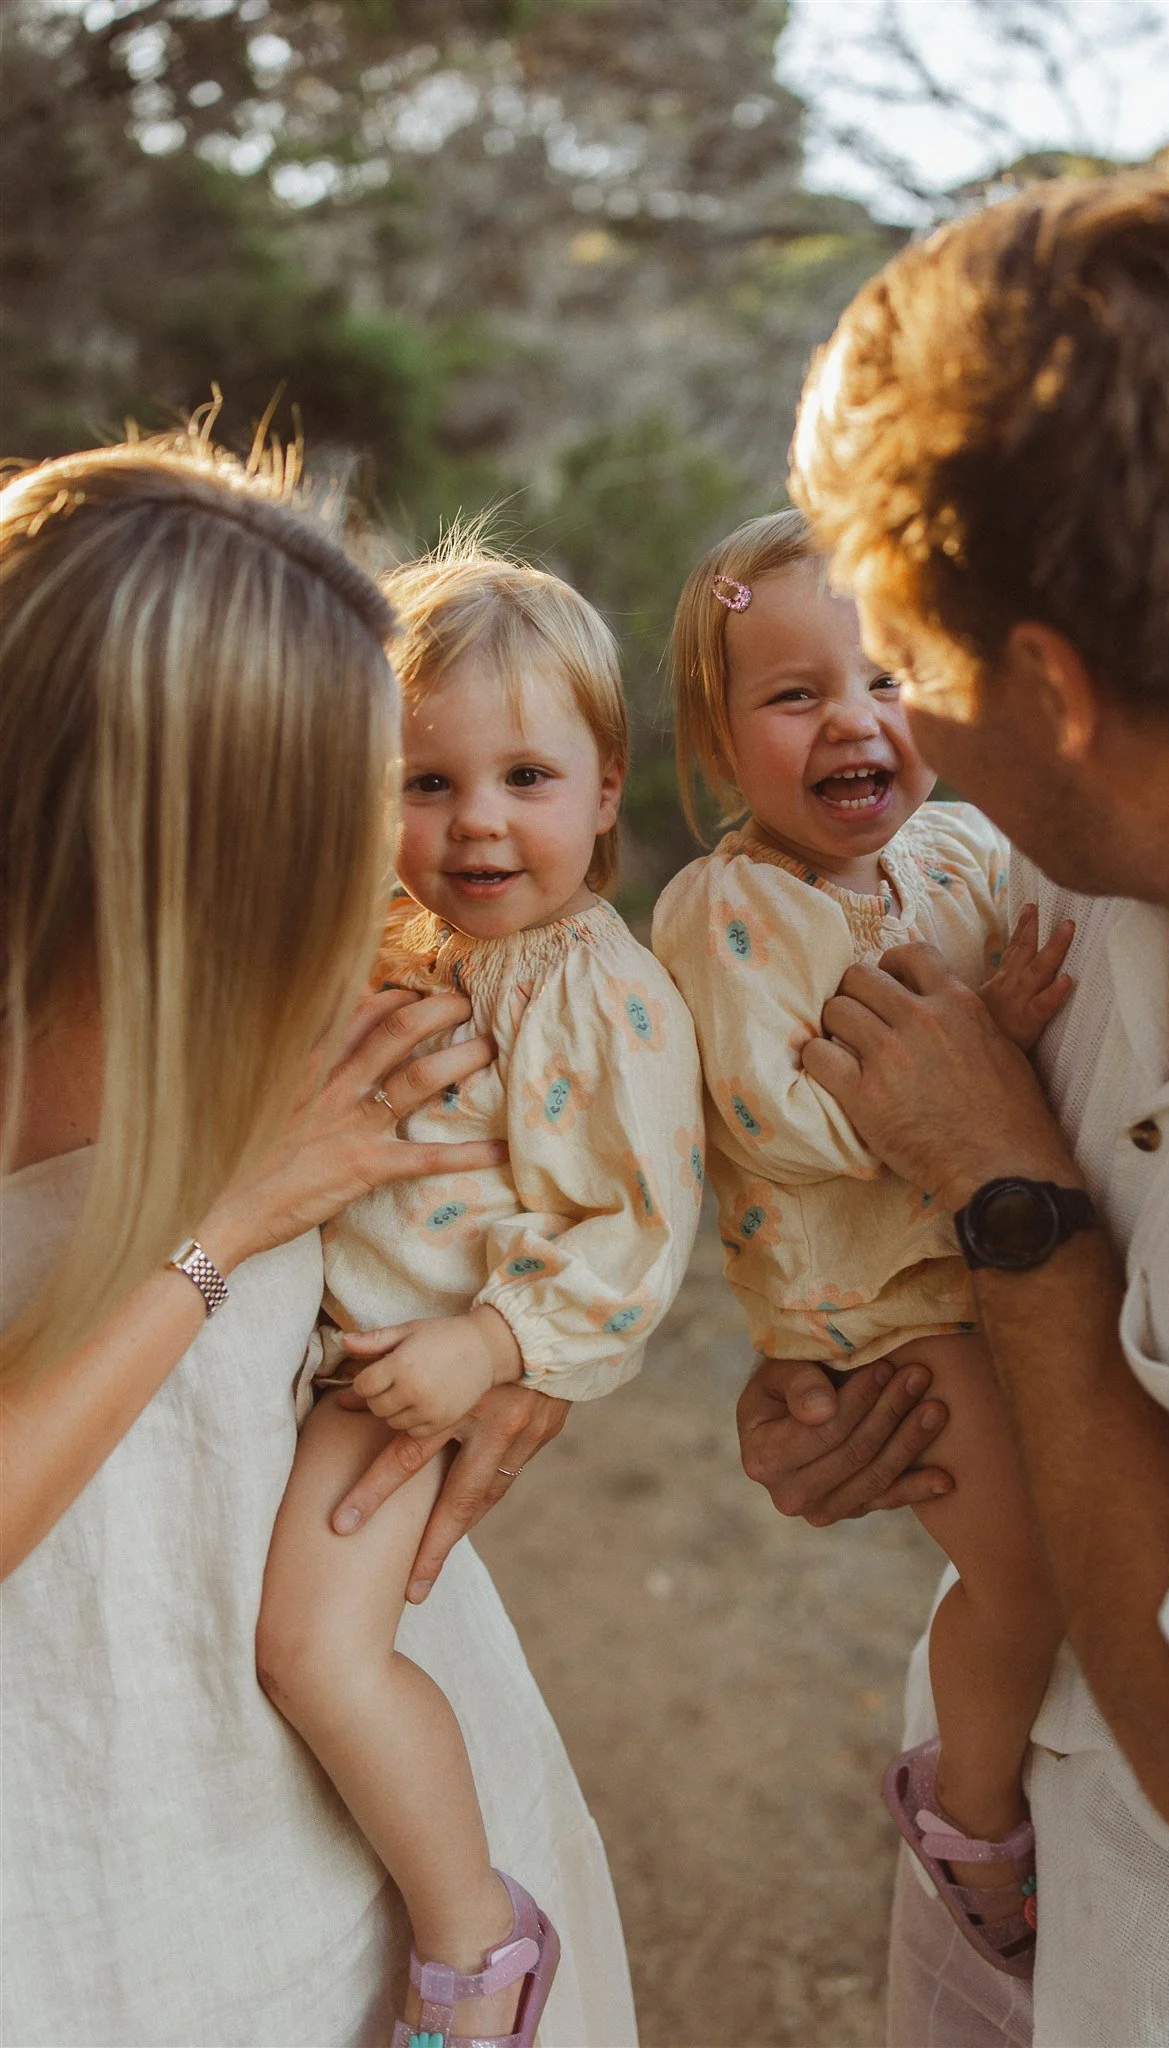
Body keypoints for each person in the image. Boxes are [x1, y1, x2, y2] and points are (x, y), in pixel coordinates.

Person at [737, 174, 1169, 2045]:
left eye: (918, 672)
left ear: (1060, 689)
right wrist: (849, 1385)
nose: (906, 736)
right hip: (1024, 1891)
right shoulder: (1080, 891)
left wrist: (1012, 1206)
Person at [0, 437, 637, 2048]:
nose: (385, 846)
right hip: (75, 1875)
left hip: (345, 1827)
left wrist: (518, 1359)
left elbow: (550, 1189)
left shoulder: (329, 985)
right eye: (358, 786)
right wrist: (222, 1229)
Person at [257, 541, 702, 2047]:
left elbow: (635, 1219)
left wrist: (496, 1341)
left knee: (312, 1646)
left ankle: (478, 1945)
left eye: (527, 776)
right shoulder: (389, 946)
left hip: (407, 1375)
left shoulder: (600, 985)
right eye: (425, 783)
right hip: (329, 1344)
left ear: (603, 789)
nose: (478, 823)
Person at [653, 508, 1073, 1973]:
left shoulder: (962, 853)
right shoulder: (726, 911)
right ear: (716, 742)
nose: (857, 718)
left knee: (1053, 1534)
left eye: (888, 674)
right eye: (795, 693)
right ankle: (969, 1817)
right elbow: (776, 1121)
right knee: (1024, 1571)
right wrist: (978, 1068)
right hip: (876, 1302)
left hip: (975, 1272)